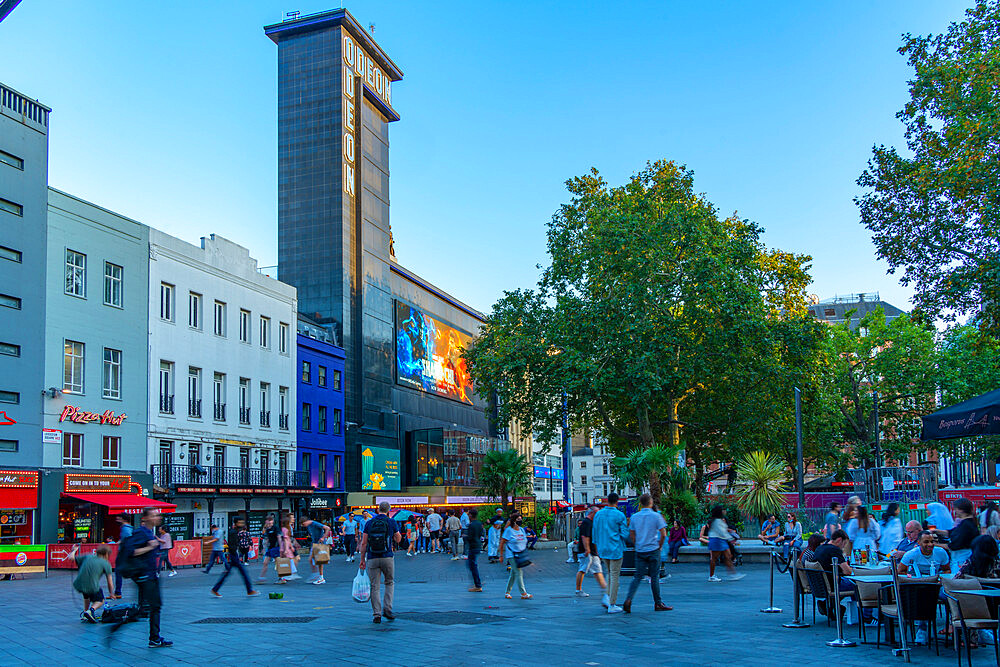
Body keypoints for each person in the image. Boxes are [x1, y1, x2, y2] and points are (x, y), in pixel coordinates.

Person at [112, 507, 171, 648]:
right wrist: (150, 547)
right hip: (145, 575)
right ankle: (154, 638)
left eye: (158, 515)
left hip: (150, 574)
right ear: (145, 518)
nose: (158, 517)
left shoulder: (150, 533)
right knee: (154, 607)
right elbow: (132, 552)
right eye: (154, 515)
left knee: (147, 608)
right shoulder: (140, 532)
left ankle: (152, 637)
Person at [622, 493, 670, 614]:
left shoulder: (634, 517)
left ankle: (629, 599)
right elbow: (663, 534)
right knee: (654, 577)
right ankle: (658, 603)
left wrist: (636, 544)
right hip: (653, 549)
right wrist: (659, 546)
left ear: (641, 503)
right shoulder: (656, 516)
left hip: (640, 549)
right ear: (651, 502)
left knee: (637, 577)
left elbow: (631, 534)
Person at [357, 501, 402, 624]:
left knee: (374, 586)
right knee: (389, 582)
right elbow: (398, 539)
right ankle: (387, 608)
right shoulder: (391, 522)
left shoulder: (369, 523)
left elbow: (364, 543)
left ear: (377, 509)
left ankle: (377, 614)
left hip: (372, 557)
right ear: (388, 510)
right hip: (387, 556)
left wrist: (362, 559)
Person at [593, 493, 630, 613]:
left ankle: (607, 596)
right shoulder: (619, 515)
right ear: (617, 502)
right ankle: (612, 603)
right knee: (614, 575)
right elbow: (625, 534)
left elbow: (595, 533)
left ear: (607, 501)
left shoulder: (598, 514)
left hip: (603, 548)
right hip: (615, 549)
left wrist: (597, 546)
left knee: (609, 572)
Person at [210, 517, 260, 598]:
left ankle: (215, 589)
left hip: (234, 556)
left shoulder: (236, 531)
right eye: (240, 522)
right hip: (234, 556)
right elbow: (232, 545)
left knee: (228, 574)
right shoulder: (233, 532)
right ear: (236, 523)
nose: (241, 524)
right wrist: (235, 556)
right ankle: (249, 590)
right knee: (243, 573)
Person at [70, 544, 114, 622]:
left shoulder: (88, 556)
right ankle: (91, 610)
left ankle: (85, 613)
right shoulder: (106, 563)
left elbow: (71, 558)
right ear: (107, 554)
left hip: (79, 584)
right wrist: (111, 594)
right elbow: (110, 582)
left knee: (86, 595)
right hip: (92, 586)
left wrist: (74, 550)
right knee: (100, 600)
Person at [574, 506, 607, 603]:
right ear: (592, 513)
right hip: (586, 551)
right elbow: (585, 536)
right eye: (597, 513)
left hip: (591, 551)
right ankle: (578, 589)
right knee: (583, 569)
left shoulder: (591, 523)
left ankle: (605, 589)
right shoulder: (586, 523)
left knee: (597, 570)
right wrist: (587, 549)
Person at [498, 511, 532, 600]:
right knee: (519, 572)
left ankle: (507, 592)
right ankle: (523, 593)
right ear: (513, 521)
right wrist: (501, 555)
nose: (520, 520)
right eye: (518, 519)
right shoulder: (509, 530)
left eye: (521, 519)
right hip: (512, 555)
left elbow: (524, 540)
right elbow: (502, 543)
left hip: (520, 554)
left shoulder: (521, 529)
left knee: (513, 574)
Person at [706, 505, 744, 583]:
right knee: (714, 558)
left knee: (728, 556)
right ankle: (711, 576)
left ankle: (733, 574)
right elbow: (722, 532)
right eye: (723, 510)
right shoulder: (717, 521)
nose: (725, 511)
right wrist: (731, 539)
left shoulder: (718, 520)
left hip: (720, 540)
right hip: (717, 540)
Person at [948, 498, 980, 570]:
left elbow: (954, 545)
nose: (954, 511)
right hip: (965, 557)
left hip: (961, 559)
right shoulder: (969, 523)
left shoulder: (965, 525)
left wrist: (935, 544)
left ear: (961, 510)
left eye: (955, 509)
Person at [302, 515, 330, 584]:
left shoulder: (314, 524)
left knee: (320, 560)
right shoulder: (309, 526)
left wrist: (323, 537)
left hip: (319, 544)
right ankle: (316, 575)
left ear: (306, 521)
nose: (303, 526)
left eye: (303, 524)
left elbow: (327, 528)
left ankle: (320, 577)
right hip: (314, 544)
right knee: (311, 559)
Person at [113, 514, 133, 599]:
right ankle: (117, 592)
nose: (117, 520)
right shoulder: (129, 528)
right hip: (125, 553)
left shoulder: (125, 529)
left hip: (123, 553)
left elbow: (128, 538)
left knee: (118, 572)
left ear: (124, 519)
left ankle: (118, 592)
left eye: (119, 519)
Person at [276, 515, 301, 583]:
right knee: (287, 560)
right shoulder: (285, 529)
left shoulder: (287, 528)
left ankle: (285, 575)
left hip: (286, 546)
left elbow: (288, 539)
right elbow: (286, 539)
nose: (294, 519)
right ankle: (286, 575)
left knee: (287, 560)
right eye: (292, 518)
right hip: (285, 547)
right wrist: (287, 548)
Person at [466, 508, 485, 591]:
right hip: (478, 545)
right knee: (473, 565)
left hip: (473, 546)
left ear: (470, 515)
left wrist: (465, 537)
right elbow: (481, 533)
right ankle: (477, 583)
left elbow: (470, 537)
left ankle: (478, 585)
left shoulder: (471, 525)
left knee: (472, 566)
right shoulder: (479, 523)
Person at [257, 515, 280, 581]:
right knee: (265, 562)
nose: (268, 524)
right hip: (270, 548)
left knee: (277, 563)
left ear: (272, 522)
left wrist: (281, 548)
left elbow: (279, 538)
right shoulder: (267, 529)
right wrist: (264, 548)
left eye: (270, 523)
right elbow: (267, 539)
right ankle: (262, 577)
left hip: (276, 547)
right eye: (267, 523)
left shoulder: (275, 528)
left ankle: (282, 577)